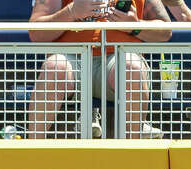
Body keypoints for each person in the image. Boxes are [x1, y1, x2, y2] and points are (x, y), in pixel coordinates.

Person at [27, 0, 172, 139]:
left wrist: (134, 26)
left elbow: (165, 32)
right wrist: (71, 12)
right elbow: (36, 33)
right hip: (72, 59)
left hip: (118, 58)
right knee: (54, 66)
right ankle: (31, 154)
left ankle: (132, 155)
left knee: (132, 67)